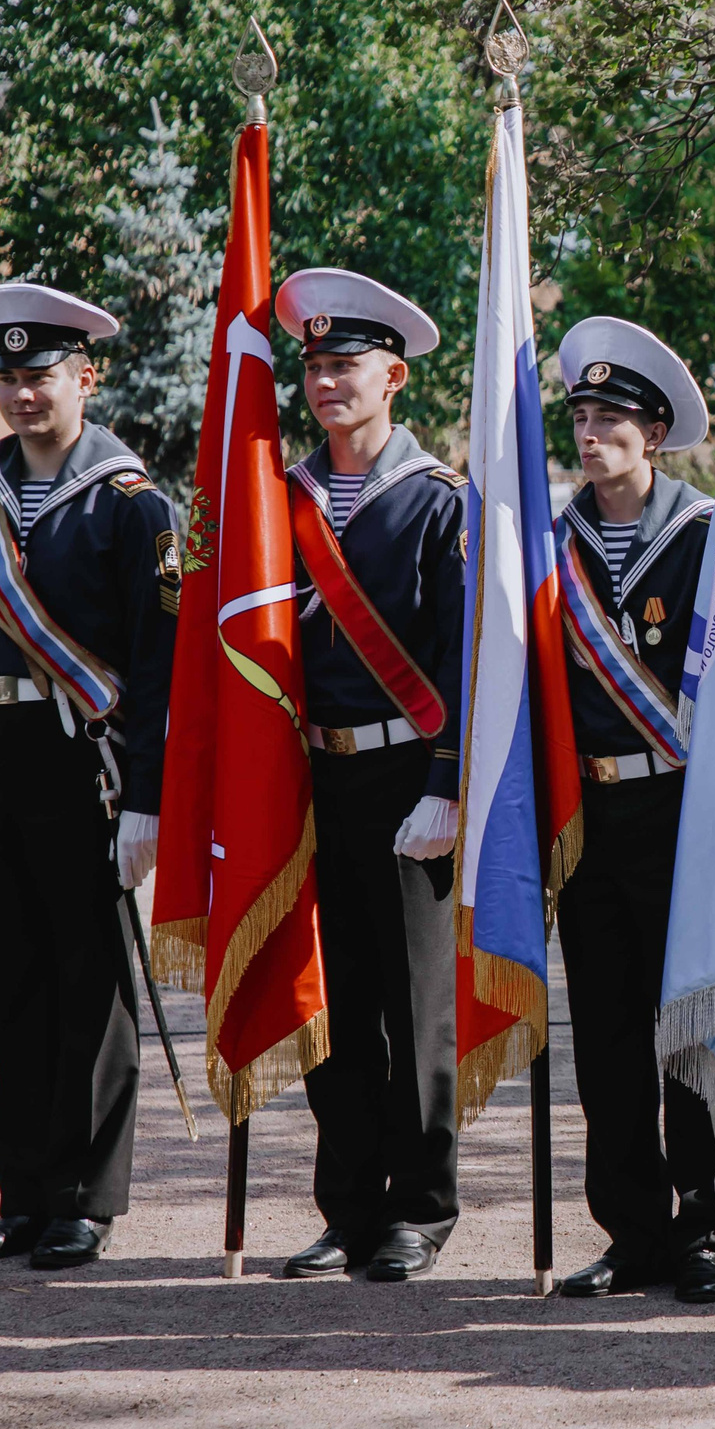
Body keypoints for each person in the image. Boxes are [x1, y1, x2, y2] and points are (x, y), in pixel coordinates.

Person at [0, 283, 177, 1271]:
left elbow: (157, 665)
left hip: (85, 765)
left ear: (86, 377)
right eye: (10, 378)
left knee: (90, 982)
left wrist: (146, 798)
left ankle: (86, 1196)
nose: (23, 395)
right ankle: (22, 1190)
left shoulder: (131, 505)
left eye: (42, 376)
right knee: (13, 980)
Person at [268, 270, 469, 1285]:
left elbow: (466, 653)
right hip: (317, 778)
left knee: (413, 1003)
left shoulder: (440, 502)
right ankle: (347, 1205)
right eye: (312, 364)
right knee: (336, 1005)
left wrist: (448, 780)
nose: (324, 381)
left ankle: (420, 1206)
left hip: (409, 779)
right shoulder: (283, 497)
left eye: (344, 365)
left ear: (393, 376)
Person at [548, 316, 715, 1307]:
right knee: (609, 1030)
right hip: (589, 811)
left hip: (685, 807)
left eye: (612, 417)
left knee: (697, 1023)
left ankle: (705, 1225)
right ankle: (630, 1228)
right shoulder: (549, 543)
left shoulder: (709, 535)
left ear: (657, 428)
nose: (591, 435)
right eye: (581, 416)